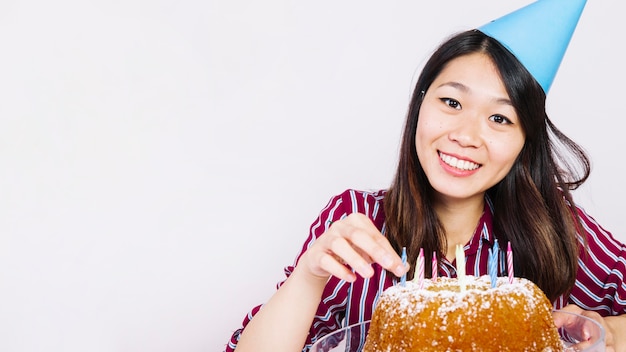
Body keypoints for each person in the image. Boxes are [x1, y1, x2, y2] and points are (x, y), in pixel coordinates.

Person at [225, 1, 626, 351]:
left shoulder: (553, 226)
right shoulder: (357, 221)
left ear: (525, 141)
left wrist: (606, 329)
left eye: (500, 118)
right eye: (452, 101)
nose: (466, 136)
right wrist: (309, 278)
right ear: (420, 104)